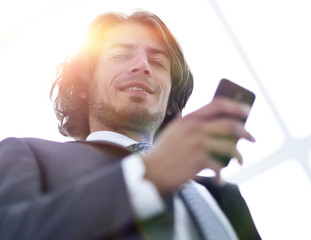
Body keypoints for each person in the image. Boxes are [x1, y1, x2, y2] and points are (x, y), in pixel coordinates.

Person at [0, 10, 261, 240]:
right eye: (121, 55)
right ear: (83, 87)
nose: (143, 66)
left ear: (170, 102)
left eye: (158, 62)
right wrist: (146, 177)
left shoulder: (224, 195)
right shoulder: (27, 155)